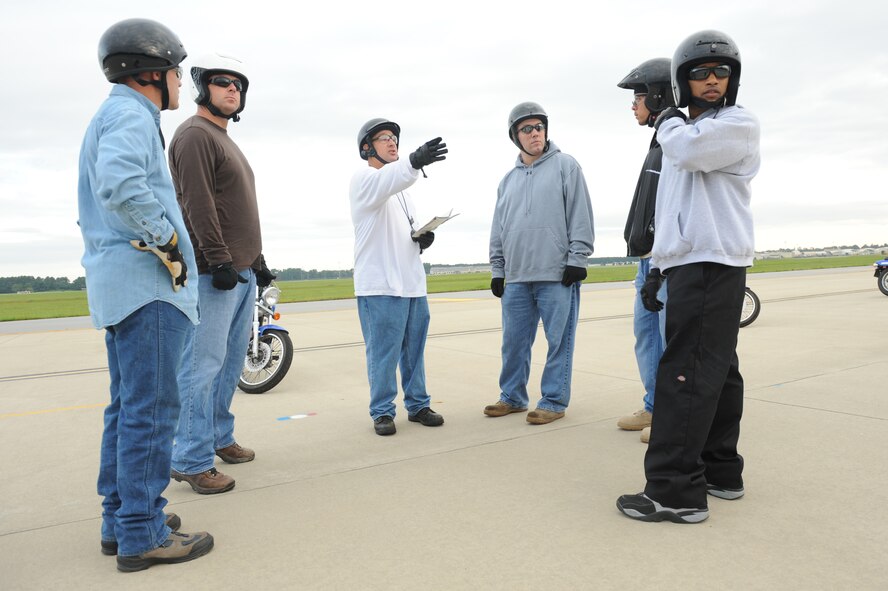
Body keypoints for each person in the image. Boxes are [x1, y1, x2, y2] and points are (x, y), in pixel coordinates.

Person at [78, 18, 213, 571]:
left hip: (121, 288)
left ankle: (121, 518)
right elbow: (121, 184)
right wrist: (167, 244)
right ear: (152, 72)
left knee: (130, 408)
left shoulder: (112, 114)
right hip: (148, 289)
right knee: (153, 412)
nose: (181, 82)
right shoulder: (131, 114)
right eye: (177, 71)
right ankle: (142, 530)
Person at [617, 30, 760, 524]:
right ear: (684, 80)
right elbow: (672, 205)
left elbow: (688, 151)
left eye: (721, 72)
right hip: (689, 261)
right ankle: (721, 471)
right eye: (700, 73)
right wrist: (656, 268)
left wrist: (668, 117)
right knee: (718, 369)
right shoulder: (684, 132)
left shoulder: (734, 124)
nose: (712, 80)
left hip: (713, 261)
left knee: (684, 373)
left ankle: (675, 492)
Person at [168, 53, 275, 494]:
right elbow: (197, 203)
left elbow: (236, 208)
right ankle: (190, 459)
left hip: (240, 271)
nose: (233, 89)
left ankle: (218, 437)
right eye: (222, 82)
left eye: (238, 85)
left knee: (230, 364)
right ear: (202, 88)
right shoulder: (195, 134)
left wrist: (258, 261)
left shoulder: (222, 137)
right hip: (216, 273)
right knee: (202, 365)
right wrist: (218, 259)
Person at [485, 102, 595, 425]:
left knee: (559, 340)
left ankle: (553, 400)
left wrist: (578, 257)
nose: (535, 133)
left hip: (557, 274)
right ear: (515, 136)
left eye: (539, 127)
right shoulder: (507, 181)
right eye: (527, 129)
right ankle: (512, 396)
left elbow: (581, 214)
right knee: (513, 342)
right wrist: (497, 269)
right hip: (517, 276)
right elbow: (498, 229)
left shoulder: (566, 166)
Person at [349, 118, 447, 436]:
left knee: (414, 350)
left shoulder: (403, 193)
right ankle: (382, 411)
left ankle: (418, 405)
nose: (392, 142)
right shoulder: (364, 180)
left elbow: (401, 229)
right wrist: (415, 161)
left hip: (411, 284)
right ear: (367, 147)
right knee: (383, 352)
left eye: (395, 138)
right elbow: (390, 180)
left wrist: (420, 239)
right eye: (383, 138)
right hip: (380, 285)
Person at [615, 58, 673, 443]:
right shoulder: (658, 141)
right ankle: (654, 404)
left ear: (657, 95)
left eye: (638, 97)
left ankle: (670, 415)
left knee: (669, 337)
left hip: (665, 260)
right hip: (647, 258)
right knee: (646, 334)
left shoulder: (674, 139)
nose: (634, 105)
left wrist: (660, 266)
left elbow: (673, 207)